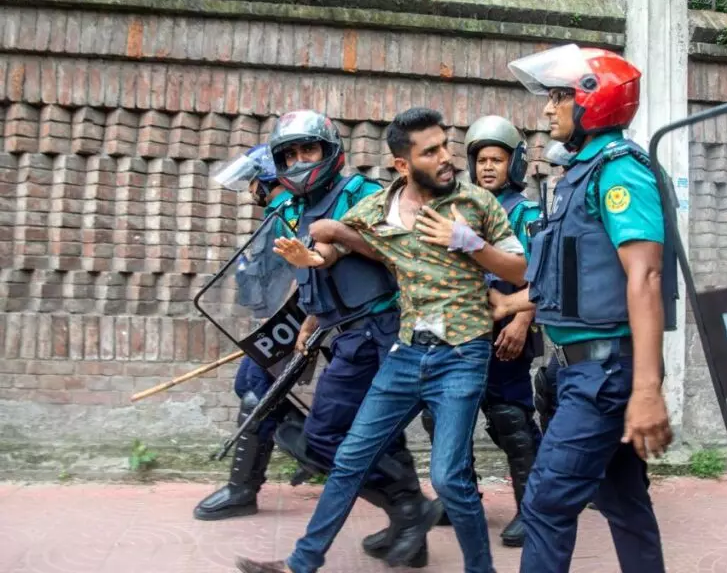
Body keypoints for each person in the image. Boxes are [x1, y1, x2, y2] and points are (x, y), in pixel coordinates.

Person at [234, 107, 527, 573]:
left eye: (445, 145)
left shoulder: (476, 203)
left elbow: (521, 269)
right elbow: (339, 241)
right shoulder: (376, 206)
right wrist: (314, 256)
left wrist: (468, 242)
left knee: (450, 479)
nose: (446, 158)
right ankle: (300, 564)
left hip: (462, 354)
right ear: (403, 165)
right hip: (408, 352)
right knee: (349, 459)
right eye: (430, 152)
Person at [490, 43, 678, 573]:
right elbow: (572, 278)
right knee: (624, 503)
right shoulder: (583, 171)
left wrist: (646, 390)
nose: (548, 109)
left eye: (558, 97)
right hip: (587, 371)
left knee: (546, 505)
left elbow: (645, 275)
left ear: (594, 101)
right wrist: (514, 302)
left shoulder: (619, 171)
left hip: (605, 374)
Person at [260, 110, 440, 568]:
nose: (300, 160)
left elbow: (402, 248)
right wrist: (311, 319)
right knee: (381, 434)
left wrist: (338, 239)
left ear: (330, 150)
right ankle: (410, 529)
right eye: (291, 154)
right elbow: (316, 278)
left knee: (323, 436)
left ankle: (407, 508)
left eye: (309, 150)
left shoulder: (362, 192)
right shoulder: (296, 210)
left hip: (380, 331)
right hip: (344, 332)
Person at [419, 114, 545, 547]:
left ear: (515, 164)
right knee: (441, 416)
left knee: (509, 416)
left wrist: (522, 320)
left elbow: (542, 275)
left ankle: (534, 510)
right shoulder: (460, 207)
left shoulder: (527, 212)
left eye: (497, 158)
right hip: (458, 332)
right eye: (481, 159)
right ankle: (460, 500)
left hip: (506, 331)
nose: (488, 166)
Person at [194, 143, 305, 521]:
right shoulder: (280, 211)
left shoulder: (290, 212)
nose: (249, 190)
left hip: (292, 325)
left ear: (268, 179)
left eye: (253, 181)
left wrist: (279, 327)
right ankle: (311, 449)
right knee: (248, 386)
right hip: (275, 325)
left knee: (258, 392)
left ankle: (243, 490)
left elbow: (299, 275)